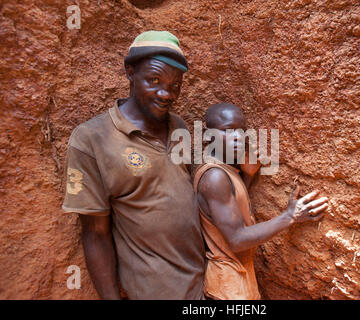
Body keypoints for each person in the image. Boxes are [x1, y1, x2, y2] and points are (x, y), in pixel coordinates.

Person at [62, 31, 205, 299]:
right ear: (130, 72)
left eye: (175, 85)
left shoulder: (179, 127)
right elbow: (95, 234)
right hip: (154, 291)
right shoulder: (91, 139)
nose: (166, 94)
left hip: (204, 284)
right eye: (154, 80)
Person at [193, 103, 329, 300]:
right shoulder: (214, 176)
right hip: (227, 289)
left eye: (241, 131)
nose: (238, 137)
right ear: (206, 135)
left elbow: (229, 214)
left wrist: (246, 177)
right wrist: (289, 216)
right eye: (228, 131)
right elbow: (237, 239)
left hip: (236, 281)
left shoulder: (223, 170)